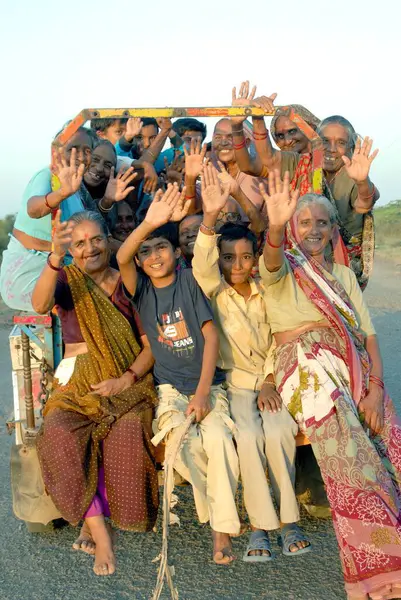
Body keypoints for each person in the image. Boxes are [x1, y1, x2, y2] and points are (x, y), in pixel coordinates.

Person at [258, 170, 401, 600]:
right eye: (305, 223)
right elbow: (269, 260)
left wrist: (375, 388)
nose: (314, 230)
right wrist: (277, 226)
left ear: (333, 229)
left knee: (389, 439)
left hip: (353, 365)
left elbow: (369, 336)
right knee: (350, 456)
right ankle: (382, 571)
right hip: (306, 370)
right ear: (292, 230)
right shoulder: (281, 270)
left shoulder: (343, 274)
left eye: (322, 222)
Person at [117, 184, 241, 565]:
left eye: (162, 247)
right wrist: (149, 223)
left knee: (219, 438)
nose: (154, 256)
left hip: (208, 386)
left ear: (176, 253)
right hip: (170, 391)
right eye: (146, 252)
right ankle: (218, 514)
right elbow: (121, 256)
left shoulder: (190, 282)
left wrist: (204, 394)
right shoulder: (141, 292)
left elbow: (210, 335)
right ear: (140, 262)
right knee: (180, 450)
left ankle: (221, 530)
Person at [192, 164, 310, 561]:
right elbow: (203, 261)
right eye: (229, 258)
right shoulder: (213, 291)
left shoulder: (268, 289)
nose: (238, 265)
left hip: (272, 382)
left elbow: (282, 336)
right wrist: (209, 217)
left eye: (246, 257)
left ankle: (288, 522)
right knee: (247, 435)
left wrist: (271, 380)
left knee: (278, 431)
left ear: (255, 257)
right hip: (234, 386)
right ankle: (260, 528)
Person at [32, 210, 159, 577]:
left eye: (96, 239)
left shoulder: (128, 283)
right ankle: (100, 530)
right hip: (76, 386)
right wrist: (55, 257)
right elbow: (39, 306)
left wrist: (126, 379)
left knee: (127, 431)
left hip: (126, 381)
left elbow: (149, 346)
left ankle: (106, 515)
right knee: (57, 432)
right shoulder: (66, 279)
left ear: (108, 240)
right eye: (80, 243)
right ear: (71, 249)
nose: (90, 248)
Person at [231, 82, 379, 288]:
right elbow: (266, 158)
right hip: (299, 262)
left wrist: (362, 180)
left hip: (338, 270)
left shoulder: (352, 172)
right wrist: (256, 118)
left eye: (341, 143)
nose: (331, 149)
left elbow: (365, 203)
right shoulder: (300, 162)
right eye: (324, 141)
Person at [0, 128, 94, 311]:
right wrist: (61, 193)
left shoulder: (80, 190)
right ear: (57, 151)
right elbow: (33, 209)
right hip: (31, 271)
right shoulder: (47, 176)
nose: (80, 156)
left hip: (63, 267)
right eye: (73, 148)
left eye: (87, 150)